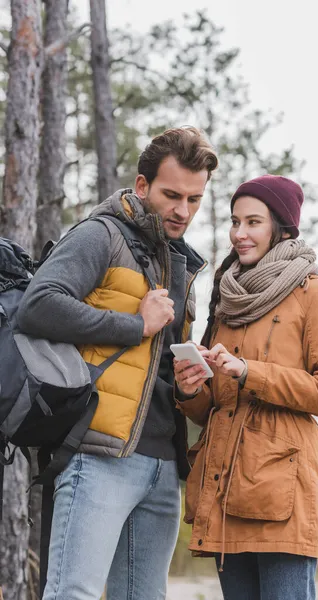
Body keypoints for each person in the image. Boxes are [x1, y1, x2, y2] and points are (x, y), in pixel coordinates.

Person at [17, 126, 218, 600]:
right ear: (142, 185)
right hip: (98, 456)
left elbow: (155, 367)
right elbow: (39, 304)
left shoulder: (182, 263)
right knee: (74, 593)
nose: (182, 210)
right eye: (172, 195)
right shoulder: (100, 235)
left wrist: (189, 380)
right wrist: (134, 326)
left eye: (194, 199)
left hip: (162, 465)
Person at [174, 175, 318, 600]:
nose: (239, 233)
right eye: (235, 222)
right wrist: (190, 389)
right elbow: (212, 408)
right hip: (224, 493)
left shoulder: (317, 294)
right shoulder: (228, 298)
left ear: (282, 227)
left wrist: (249, 371)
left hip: (282, 500)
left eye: (253, 222)